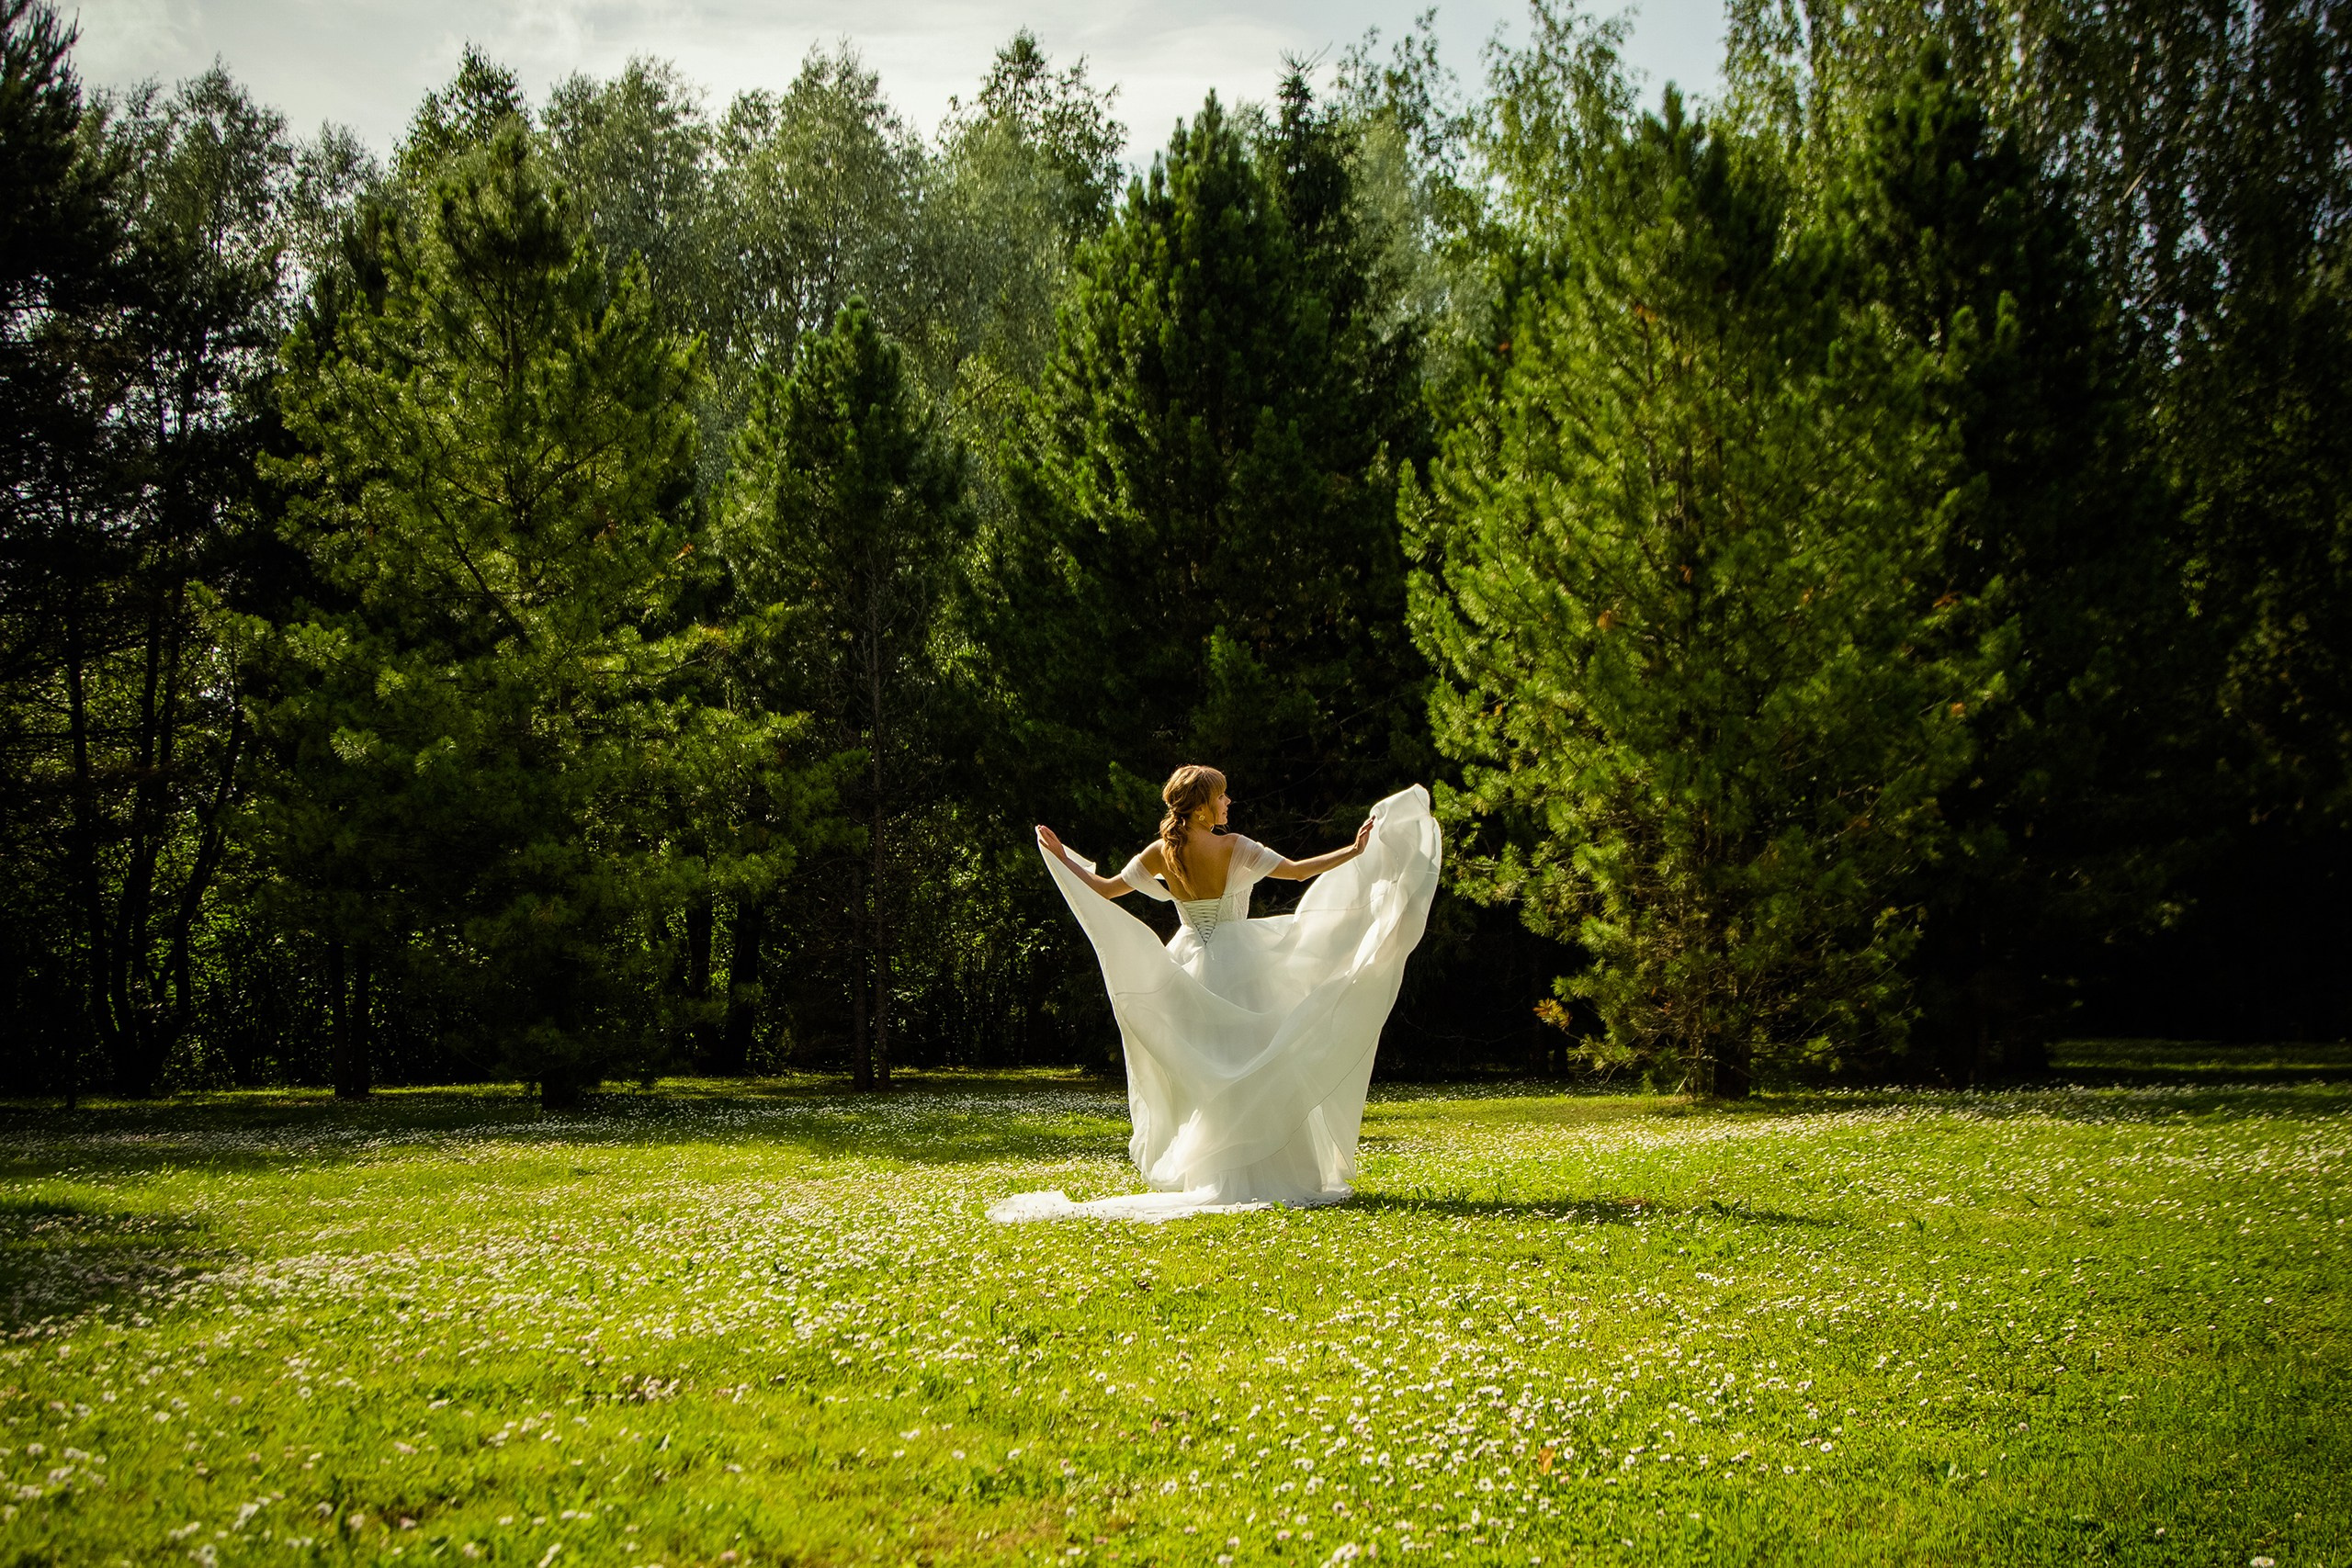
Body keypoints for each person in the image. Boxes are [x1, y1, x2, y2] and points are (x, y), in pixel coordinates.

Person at [990, 765, 1441, 1222]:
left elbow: (1105, 890)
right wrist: (1356, 849)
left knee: (1209, 1075)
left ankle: (1216, 1174)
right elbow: (1300, 873)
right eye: (1223, 797)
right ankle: (1266, 1173)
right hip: (1240, 966)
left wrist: (1063, 859)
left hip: (1187, 969)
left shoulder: (1160, 852)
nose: (1229, 804)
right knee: (1254, 1067)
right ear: (1203, 806)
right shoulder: (1232, 846)